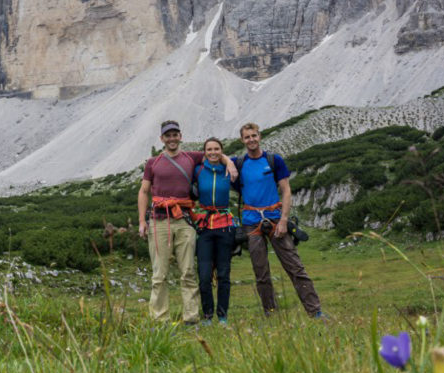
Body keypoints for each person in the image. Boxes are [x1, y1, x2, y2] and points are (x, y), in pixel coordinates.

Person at [138, 120, 237, 324]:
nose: (172, 138)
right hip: (158, 221)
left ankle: (191, 318)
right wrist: (142, 220)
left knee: (188, 271)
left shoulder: (191, 157)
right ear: (162, 139)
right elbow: (144, 191)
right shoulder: (152, 163)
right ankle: (159, 319)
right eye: (168, 135)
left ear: (180, 136)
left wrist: (230, 162)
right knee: (159, 274)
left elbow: (215, 153)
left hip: (184, 220)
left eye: (175, 134)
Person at [235, 122, 325, 318]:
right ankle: (271, 313)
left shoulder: (274, 160)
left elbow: (286, 190)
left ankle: (315, 311)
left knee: (295, 267)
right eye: (247, 137)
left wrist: (284, 220)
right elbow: (217, 158)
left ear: (260, 136)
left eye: (254, 136)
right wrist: (226, 162)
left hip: (276, 219)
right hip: (251, 222)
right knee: (261, 273)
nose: (251, 140)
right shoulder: (238, 163)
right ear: (242, 140)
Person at [193, 137, 237, 325]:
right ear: (204, 152)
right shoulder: (198, 170)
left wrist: (228, 162)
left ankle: (222, 315)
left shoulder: (229, 170)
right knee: (203, 275)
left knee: (223, 274)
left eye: (216, 149)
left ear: (221, 150)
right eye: (209, 149)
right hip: (204, 227)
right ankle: (208, 314)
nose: (212, 152)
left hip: (225, 225)